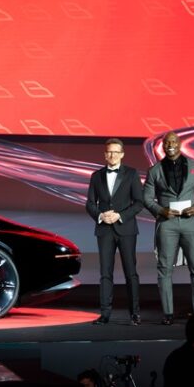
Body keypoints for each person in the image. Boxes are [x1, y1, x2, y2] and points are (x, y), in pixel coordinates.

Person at [142, 130, 194, 325]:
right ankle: (168, 314)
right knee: (164, 269)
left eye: (174, 142)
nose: (170, 145)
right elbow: (146, 198)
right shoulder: (155, 171)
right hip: (167, 224)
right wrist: (160, 210)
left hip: (190, 222)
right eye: (167, 143)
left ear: (179, 144)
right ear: (163, 147)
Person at [85, 138, 145, 325]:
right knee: (105, 273)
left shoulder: (131, 174)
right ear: (105, 154)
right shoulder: (96, 176)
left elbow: (139, 203)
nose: (112, 155)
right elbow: (90, 203)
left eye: (116, 152)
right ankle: (105, 314)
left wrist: (119, 215)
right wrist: (101, 216)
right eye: (109, 152)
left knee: (131, 272)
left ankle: (135, 313)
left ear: (122, 154)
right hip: (104, 230)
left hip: (126, 228)